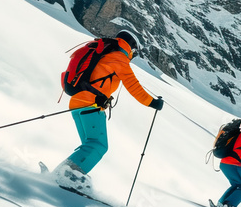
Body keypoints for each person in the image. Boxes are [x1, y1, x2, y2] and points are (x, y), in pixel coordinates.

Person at [54, 30, 164, 195]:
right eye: (134, 53)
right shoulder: (120, 59)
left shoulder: (106, 53)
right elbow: (135, 88)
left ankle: (62, 174)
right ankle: (67, 176)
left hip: (78, 103)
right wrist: (154, 103)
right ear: (131, 48)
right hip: (90, 106)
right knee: (97, 145)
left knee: (89, 145)